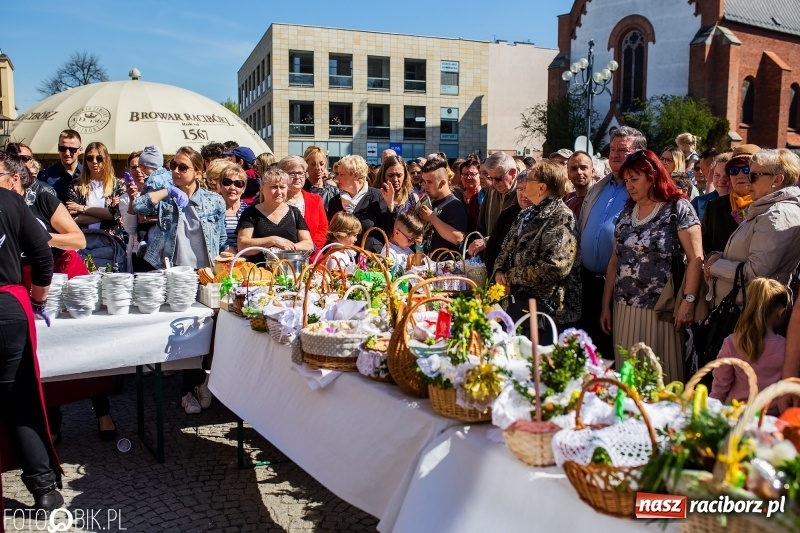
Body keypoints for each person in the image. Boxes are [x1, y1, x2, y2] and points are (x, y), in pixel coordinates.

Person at [600, 149, 702, 382]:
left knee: (662, 376)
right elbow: (615, 262)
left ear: (653, 176)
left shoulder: (678, 208)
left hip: (663, 310)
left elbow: (697, 258)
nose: (629, 186)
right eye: (626, 180)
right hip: (624, 308)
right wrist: (606, 306)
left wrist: (689, 301)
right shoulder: (627, 213)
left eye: (635, 179)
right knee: (629, 376)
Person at [0, 157, 64, 510]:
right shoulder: (9, 200)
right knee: (18, 396)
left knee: (17, 393)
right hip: (8, 306)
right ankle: (43, 488)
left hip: (6, 306)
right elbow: (41, 253)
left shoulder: (9, 200)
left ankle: (42, 486)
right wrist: (38, 297)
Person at [494, 160, 581, 342]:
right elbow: (505, 248)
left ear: (542, 187)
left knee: (539, 366)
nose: (524, 183)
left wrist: (511, 276)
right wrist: (499, 271)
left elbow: (555, 266)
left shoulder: (561, 217)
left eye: (530, 178)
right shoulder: (525, 213)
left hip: (547, 311)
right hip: (518, 305)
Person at [578, 126, 645, 361]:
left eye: (623, 150)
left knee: (613, 353)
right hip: (588, 283)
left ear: (639, 154)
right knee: (587, 351)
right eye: (612, 149)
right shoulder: (598, 188)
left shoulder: (641, 192)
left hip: (620, 287)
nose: (615, 154)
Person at [705, 149, 800, 306]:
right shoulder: (769, 209)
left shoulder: (776, 215)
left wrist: (713, 266)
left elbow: (756, 272)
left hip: (751, 311)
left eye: (753, 175)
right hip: (746, 306)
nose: (748, 180)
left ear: (777, 179)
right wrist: (718, 256)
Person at [132, 146, 227, 271]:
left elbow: (221, 240)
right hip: (172, 270)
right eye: (173, 165)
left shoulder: (214, 201)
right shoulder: (167, 198)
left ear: (197, 173)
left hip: (205, 272)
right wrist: (168, 191)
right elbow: (137, 206)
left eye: (182, 168)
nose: (175, 171)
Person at [711, 278, 790, 406]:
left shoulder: (731, 342)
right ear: (781, 313)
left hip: (735, 415)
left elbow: (719, 388)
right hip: (770, 419)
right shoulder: (786, 347)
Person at [237, 166, 314, 265]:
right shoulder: (250, 213)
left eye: (282, 187)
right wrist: (273, 240)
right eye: (273, 187)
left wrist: (284, 248)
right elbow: (242, 245)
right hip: (259, 275)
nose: (278, 192)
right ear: (262, 189)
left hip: (291, 273)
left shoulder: (294, 212)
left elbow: (308, 244)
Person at [327, 154, 396, 253]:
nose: (337, 178)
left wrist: (390, 206)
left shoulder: (378, 197)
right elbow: (331, 233)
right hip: (344, 260)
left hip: (372, 259)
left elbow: (390, 230)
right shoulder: (335, 201)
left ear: (356, 175)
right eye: (337, 174)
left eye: (341, 174)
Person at [701, 146, 759, 256]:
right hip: (718, 271)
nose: (740, 175)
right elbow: (705, 247)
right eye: (734, 170)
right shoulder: (714, 207)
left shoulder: (768, 206)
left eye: (747, 169)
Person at [479, 170, 533, 276]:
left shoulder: (545, 217)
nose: (524, 195)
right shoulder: (506, 215)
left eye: (527, 189)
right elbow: (491, 250)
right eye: (520, 189)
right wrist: (496, 274)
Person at [65, 141, 124, 235]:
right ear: (85, 160)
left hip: (109, 241)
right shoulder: (76, 185)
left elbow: (118, 214)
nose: (95, 162)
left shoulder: (118, 185)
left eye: (99, 158)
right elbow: (72, 218)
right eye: (90, 158)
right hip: (83, 240)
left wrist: (81, 208)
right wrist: (107, 215)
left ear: (106, 160)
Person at [126, 145, 166, 271]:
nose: (139, 170)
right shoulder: (124, 197)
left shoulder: (159, 182)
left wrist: (150, 218)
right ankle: (143, 241)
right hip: (140, 256)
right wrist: (132, 200)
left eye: (141, 166)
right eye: (134, 167)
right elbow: (130, 228)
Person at [277, 155, 329, 250]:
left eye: (300, 173)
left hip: (311, 257)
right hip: (281, 255)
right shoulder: (276, 200)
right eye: (292, 173)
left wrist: (312, 247)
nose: (297, 177)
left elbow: (323, 228)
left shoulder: (315, 200)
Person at [418, 157, 468, 254]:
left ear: (443, 183)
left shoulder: (454, 205)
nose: (425, 186)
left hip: (446, 265)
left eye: (430, 182)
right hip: (428, 263)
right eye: (424, 181)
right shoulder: (431, 203)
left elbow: (457, 238)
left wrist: (432, 218)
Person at [477, 152, 518, 240]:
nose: (494, 183)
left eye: (498, 178)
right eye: (490, 178)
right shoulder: (492, 190)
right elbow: (482, 224)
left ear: (513, 173)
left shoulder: (524, 191)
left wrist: (487, 241)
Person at [37, 129, 82, 203]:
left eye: (72, 149)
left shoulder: (88, 175)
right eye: (63, 148)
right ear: (58, 148)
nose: (67, 153)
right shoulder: (45, 176)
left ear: (80, 150)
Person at [215, 162, 248, 253]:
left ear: (244, 188)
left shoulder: (250, 212)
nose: (232, 187)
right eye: (227, 182)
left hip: (248, 263)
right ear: (220, 185)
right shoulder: (212, 211)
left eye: (238, 184)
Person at [692, 152, 730, 221]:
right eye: (717, 175)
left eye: (726, 176)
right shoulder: (698, 203)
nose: (721, 181)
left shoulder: (745, 207)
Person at [303, 146, 338, 211]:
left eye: (321, 164)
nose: (318, 168)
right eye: (313, 164)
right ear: (306, 165)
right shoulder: (301, 191)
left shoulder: (334, 191)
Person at [563, 151, 596, 219]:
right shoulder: (566, 200)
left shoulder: (599, 199)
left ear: (592, 172)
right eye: (573, 169)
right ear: (568, 174)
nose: (578, 172)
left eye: (583, 168)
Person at [459, 156, 484, 232]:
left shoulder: (485, 197)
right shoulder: (457, 195)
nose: (468, 177)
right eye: (465, 174)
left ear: (479, 175)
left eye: (473, 174)